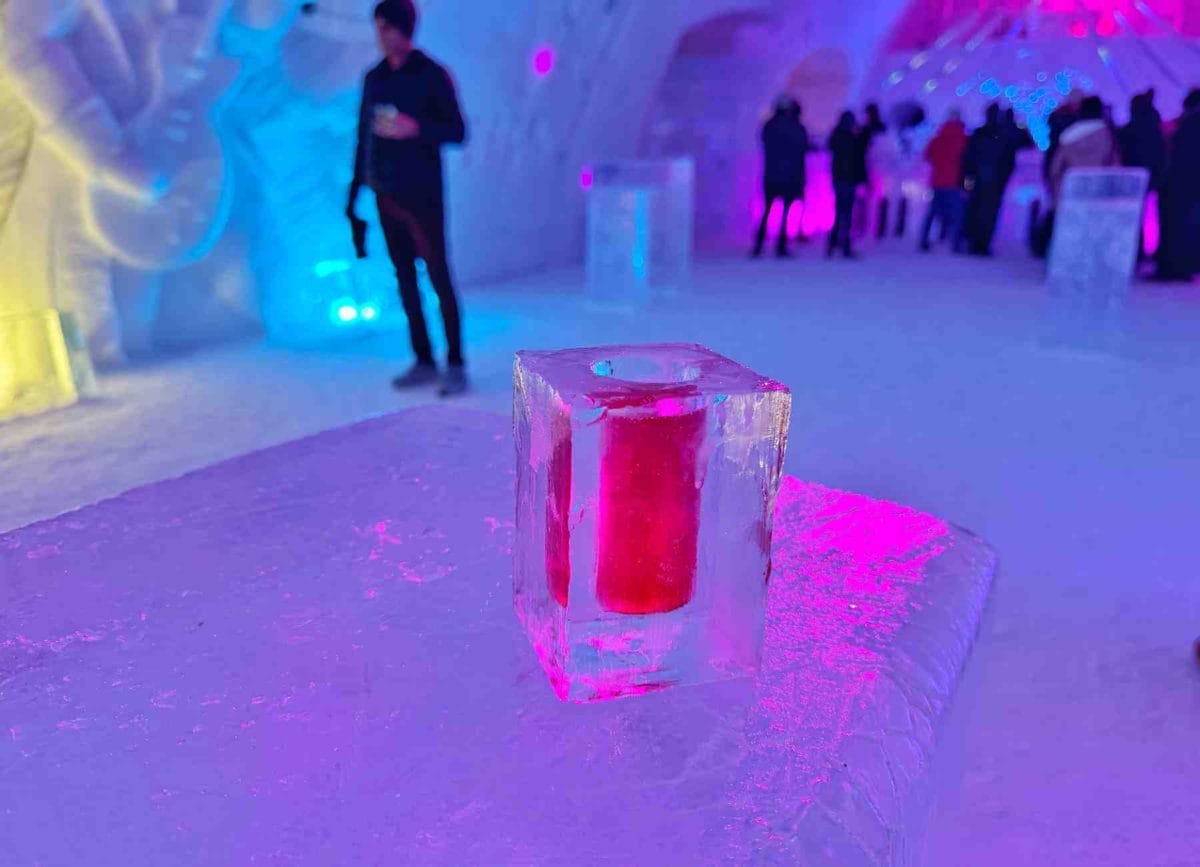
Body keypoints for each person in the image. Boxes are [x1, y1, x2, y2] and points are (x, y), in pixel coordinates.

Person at [347, 0, 469, 396]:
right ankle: (423, 358)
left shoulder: (431, 74)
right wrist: (357, 189)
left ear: (405, 29)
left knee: (438, 275)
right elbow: (364, 137)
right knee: (404, 277)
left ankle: (456, 363)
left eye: (388, 28)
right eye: (378, 28)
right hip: (387, 192)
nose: (382, 37)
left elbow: (457, 131)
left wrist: (415, 128)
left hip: (423, 193)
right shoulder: (375, 77)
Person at [752, 96, 810, 258]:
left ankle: (759, 245)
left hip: (771, 176)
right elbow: (803, 147)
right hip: (790, 176)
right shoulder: (796, 127)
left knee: (767, 210)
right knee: (785, 212)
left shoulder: (769, 126)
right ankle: (781, 246)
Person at [1154, 88, 1200, 282]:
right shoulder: (1190, 122)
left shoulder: (1189, 123)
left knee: (1180, 225)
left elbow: (1182, 155)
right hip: (1189, 184)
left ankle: (1177, 267)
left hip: (1182, 184)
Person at [1119, 90, 1167, 262]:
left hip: (1131, 177)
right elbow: (1161, 154)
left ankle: (1135, 250)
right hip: (1152, 177)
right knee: (1151, 215)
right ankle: (1144, 250)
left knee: (1133, 215)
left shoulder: (1128, 131)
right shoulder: (1155, 128)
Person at [961, 103, 1014, 256]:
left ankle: (975, 243)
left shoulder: (979, 134)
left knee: (976, 211)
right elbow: (1009, 162)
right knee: (987, 213)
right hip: (993, 182)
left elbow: (968, 159)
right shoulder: (1003, 136)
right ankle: (981, 244)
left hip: (981, 181)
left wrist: (967, 179)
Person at [1048, 95, 1120, 206]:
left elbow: (1055, 169)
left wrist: (1057, 195)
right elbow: (1115, 166)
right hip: (1099, 192)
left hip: (1073, 193)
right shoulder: (1107, 135)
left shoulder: (1068, 136)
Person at [919, 108, 968, 252]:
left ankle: (924, 240)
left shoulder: (937, 138)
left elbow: (927, 156)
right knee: (957, 214)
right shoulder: (963, 139)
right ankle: (955, 243)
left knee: (932, 212)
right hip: (955, 181)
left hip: (937, 180)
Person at [827, 110, 860, 259]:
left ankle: (833, 244)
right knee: (846, 214)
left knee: (840, 213)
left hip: (839, 178)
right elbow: (856, 159)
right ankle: (844, 245)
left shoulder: (836, 136)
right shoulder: (851, 138)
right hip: (848, 179)